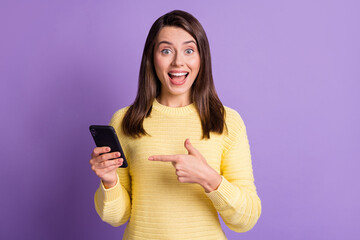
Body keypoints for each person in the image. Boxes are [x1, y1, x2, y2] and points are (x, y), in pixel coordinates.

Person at [89, 10, 261, 240]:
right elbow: (117, 217)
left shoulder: (227, 121)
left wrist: (209, 179)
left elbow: (246, 219)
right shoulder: (125, 121)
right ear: (152, 58)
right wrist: (109, 182)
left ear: (202, 58)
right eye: (166, 50)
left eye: (189, 50)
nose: (178, 61)